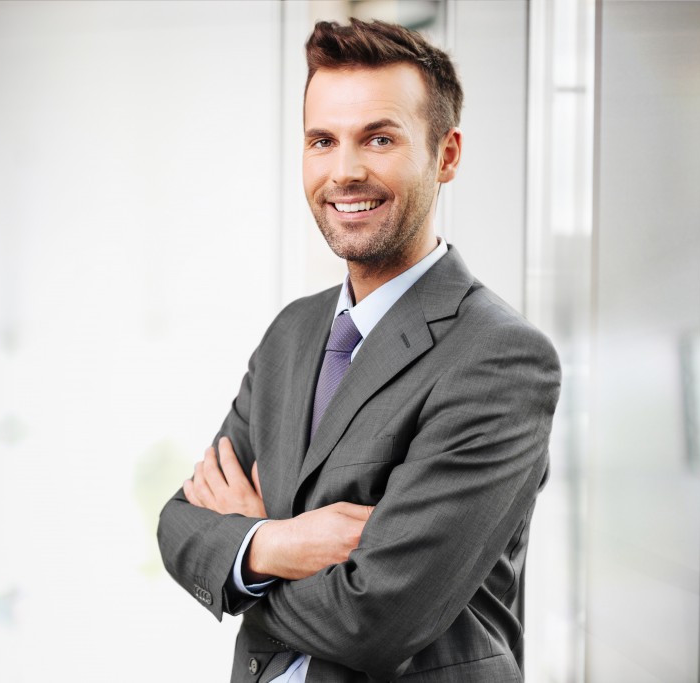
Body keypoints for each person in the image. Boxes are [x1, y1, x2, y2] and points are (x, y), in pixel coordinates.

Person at [157, 18, 561, 683]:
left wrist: (242, 557)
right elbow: (179, 524)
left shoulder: (500, 359)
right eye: (322, 140)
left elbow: (374, 621)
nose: (344, 171)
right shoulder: (292, 333)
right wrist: (281, 541)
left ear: (447, 154)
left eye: (378, 138)